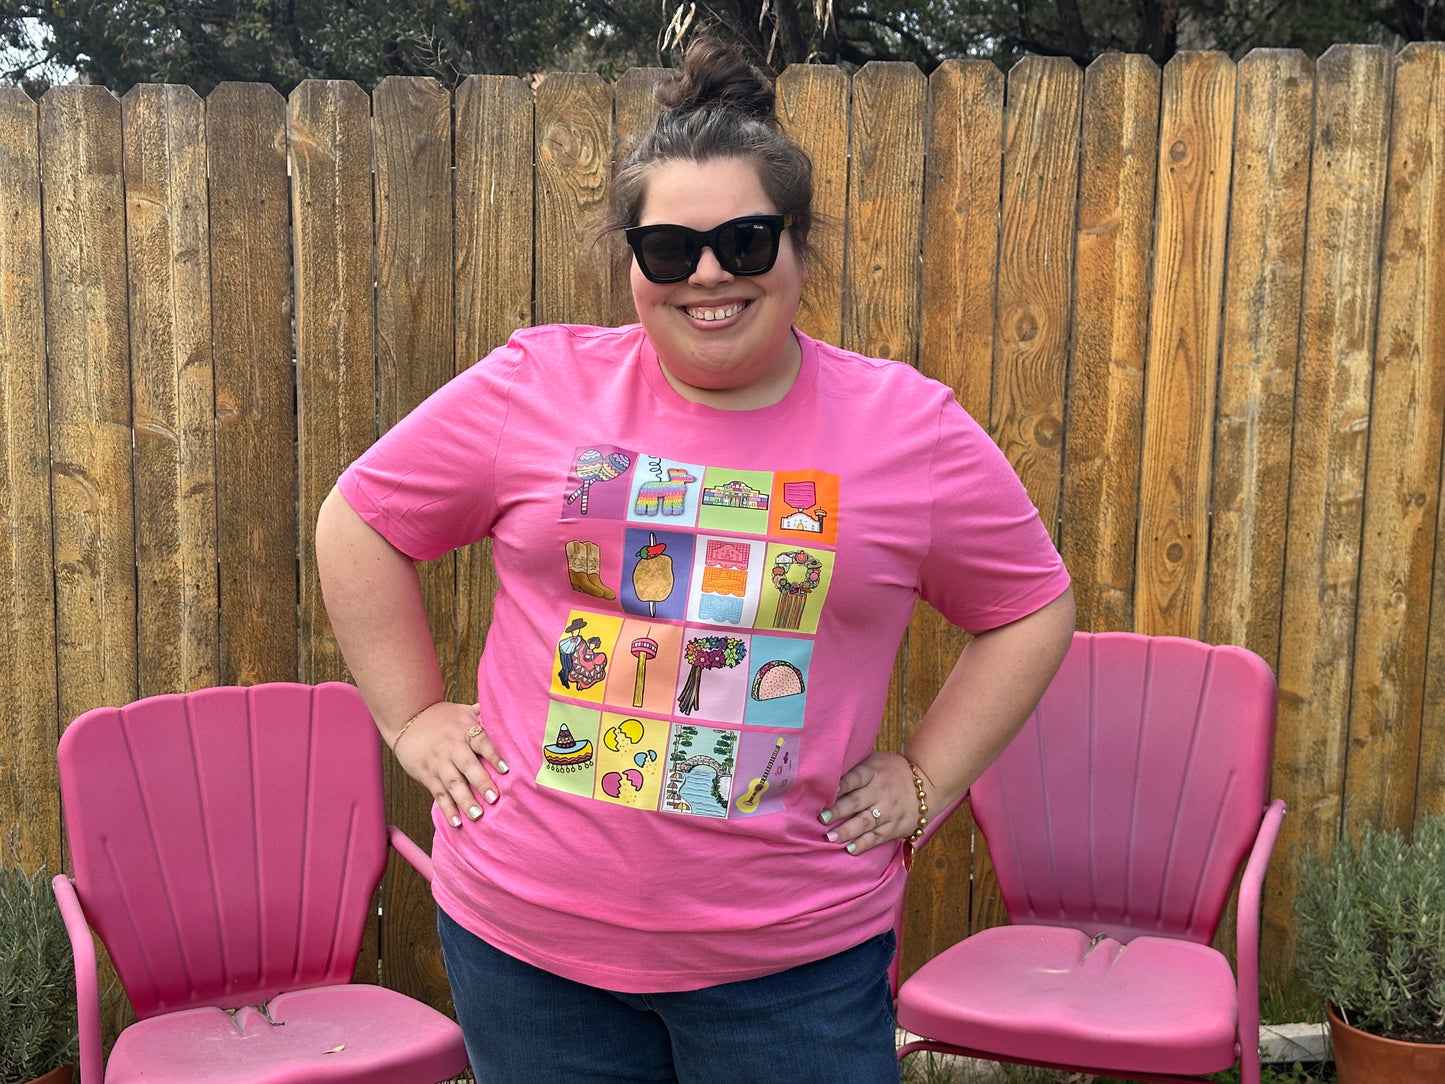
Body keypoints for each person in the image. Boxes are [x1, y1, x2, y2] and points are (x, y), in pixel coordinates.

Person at [316, 34, 1074, 1084]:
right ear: (633, 260)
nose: (707, 273)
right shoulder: (532, 387)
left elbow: (1030, 605)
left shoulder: (909, 429)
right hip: (526, 951)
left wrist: (926, 777)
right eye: (668, 248)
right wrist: (411, 717)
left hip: (792, 970)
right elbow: (360, 520)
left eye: (745, 241)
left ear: (796, 248)